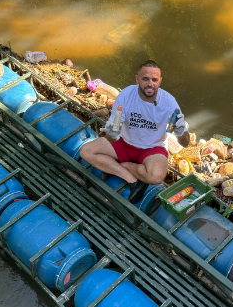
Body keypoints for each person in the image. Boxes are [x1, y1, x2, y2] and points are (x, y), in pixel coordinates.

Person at [80, 60, 190, 204]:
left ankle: (121, 165)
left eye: (154, 79)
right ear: (137, 79)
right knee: (86, 151)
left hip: (152, 148)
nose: (150, 83)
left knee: (156, 176)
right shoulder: (126, 95)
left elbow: (185, 143)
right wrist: (113, 131)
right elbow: (112, 138)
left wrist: (181, 131)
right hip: (125, 142)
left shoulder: (169, 102)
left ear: (160, 81)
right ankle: (131, 178)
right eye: (145, 79)